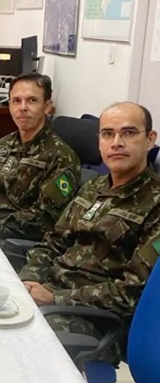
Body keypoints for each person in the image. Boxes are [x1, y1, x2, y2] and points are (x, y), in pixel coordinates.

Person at [19, 102, 160, 364]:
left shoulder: (155, 204)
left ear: (150, 139)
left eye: (129, 133)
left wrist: (54, 297)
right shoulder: (93, 187)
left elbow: (132, 293)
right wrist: (26, 282)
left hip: (95, 318)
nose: (116, 142)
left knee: (16, 341)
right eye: (107, 134)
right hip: (50, 292)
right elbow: (53, 242)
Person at [0, 72, 81, 246]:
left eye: (32, 100)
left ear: (48, 106)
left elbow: (45, 219)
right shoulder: (1, 145)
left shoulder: (61, 157)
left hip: (14, 241)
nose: (22, 107)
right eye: (16, 101)